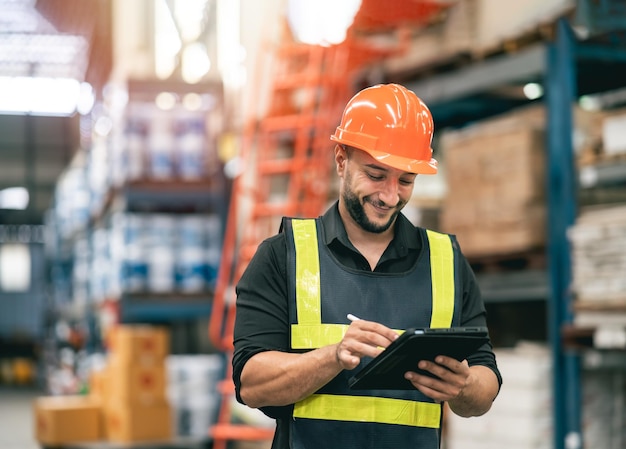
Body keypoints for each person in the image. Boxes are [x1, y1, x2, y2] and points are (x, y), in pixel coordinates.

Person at [232, 83, 502, 449]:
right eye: (376, 175)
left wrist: (463, 386)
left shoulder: (445, 260)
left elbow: (485, 385)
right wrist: (334, 356)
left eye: (406, 180)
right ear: (341, 160)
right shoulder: (283, 256)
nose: (390, 196)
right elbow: (251, 385)